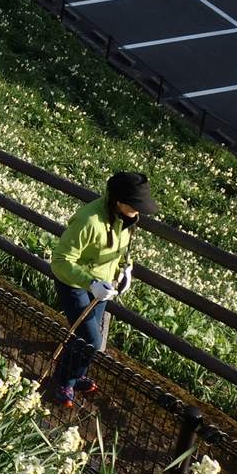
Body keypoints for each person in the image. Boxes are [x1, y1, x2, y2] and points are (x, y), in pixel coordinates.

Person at [47, 171, 155, 407]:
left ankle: (76, 375)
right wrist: (91, 283)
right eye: (135, 206)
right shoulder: (89, 221)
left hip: (102, 286)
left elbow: (119, 252)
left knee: (87, 337)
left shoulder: (126, 220)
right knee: (91, 339)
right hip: (74, 284)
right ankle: (63, 380)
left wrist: (126, 270)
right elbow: (61, 260)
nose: (139, 212)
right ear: (118, 201)